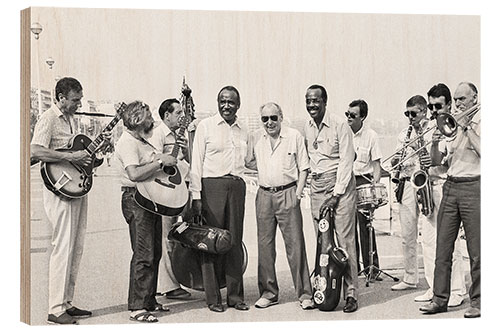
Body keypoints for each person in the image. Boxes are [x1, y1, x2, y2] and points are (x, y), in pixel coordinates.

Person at [31, 77, 110, 325]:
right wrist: (72, 155)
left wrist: (94, 153)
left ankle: (66, 302)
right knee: (63, 246)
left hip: (74, 187)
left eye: (80, 99)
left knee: (76, 246)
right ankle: (55, 307)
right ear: (61, 97)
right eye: (75, 100)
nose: (79, 103)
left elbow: (77, 156)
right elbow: (35, 151)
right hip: (58, 188)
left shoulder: (70, 119)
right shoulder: (49, 118)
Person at [390, 91, 466, 309]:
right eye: (431, 107)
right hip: (428, 187)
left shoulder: (448, 127)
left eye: (437, 107)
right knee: (429, 242)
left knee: (449, 242)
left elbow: (447, 161)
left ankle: (458, 289)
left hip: (443, 185)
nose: (434, 112)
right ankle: (435, 287)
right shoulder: (428, 129)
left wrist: (430, 151)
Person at [245, 102, 314, 310]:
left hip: (288, 193)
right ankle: (269, 293)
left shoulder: (294, 136)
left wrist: (298, 193)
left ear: (281, 117)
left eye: (273, 118)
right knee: (265, 247)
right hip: (264, 194)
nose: (269, 122)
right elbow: (248, 162)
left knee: (295, 246)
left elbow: (304, 168)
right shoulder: (257, 137)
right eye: (265, 119)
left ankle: (304, 294)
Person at [420, 82, 480, 318]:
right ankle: (439, 299)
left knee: (476, 251)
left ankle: (478, 301)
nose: (458, 104)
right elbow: (438, 162)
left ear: (474, 98)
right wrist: (436, 140)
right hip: (451, 185)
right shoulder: (450, 123)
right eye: (456, 100)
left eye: (462, 99)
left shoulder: (483, 121)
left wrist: (466, 129)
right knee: (442, 247)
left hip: (474, 185)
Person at [115, 101, 176, 323]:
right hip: (136, 200)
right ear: (138, 119)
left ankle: (148, 299)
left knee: (154, 252)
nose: (152, 120)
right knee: (143, 253)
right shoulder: (129, 142)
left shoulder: (140, 140)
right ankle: (137, 306)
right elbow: (134, 173)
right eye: (149, 115)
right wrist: (160, 162)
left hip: (148, 200)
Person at [190, 86, 249, 313]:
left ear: (238, 105)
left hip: (236, 187)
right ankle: (213, 298)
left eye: (231, 102)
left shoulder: (244, 130)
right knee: (211, 242)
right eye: (223, 101)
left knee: (234, 241)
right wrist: (196, 196)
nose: (227, 105)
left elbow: (250, 160)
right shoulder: (206, 127)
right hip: (211, 186)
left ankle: (235, 297)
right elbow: (196, 163)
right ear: (218, 102)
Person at [303, 84, 358, 313]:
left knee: (345, 241)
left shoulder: (339, 125)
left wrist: (336, 194)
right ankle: (324, 290)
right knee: (322, 242)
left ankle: (351, 293)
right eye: (308, 100)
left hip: (340, 185)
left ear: (325, 102)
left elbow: (346, 161)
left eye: (316, 100)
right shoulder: (306, 126)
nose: (311, 105)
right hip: (317, 185)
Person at [149, 98, 191, 300]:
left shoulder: (177, 135)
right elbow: (154, 159)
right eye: (178, 113)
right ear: (167, 115)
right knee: (166, 237)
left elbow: (185, 162)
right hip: (164, 192)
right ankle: (168, 286)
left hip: (179, 190)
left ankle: (172, 280)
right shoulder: (158, 134)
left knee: (175, 235)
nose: (181, 116)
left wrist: (185, 149)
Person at [346, 100, 383, 278]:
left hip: (363, 182)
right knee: (348, 228)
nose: (349, 118)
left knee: (366, 226)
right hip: (346, 182)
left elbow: (376, 165)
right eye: (347, 114)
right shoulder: (343, 133)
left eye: (353, 115)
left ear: (362, 117)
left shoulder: (371, 136)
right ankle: (353, 268)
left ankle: (372, 269)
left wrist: (375, 189)